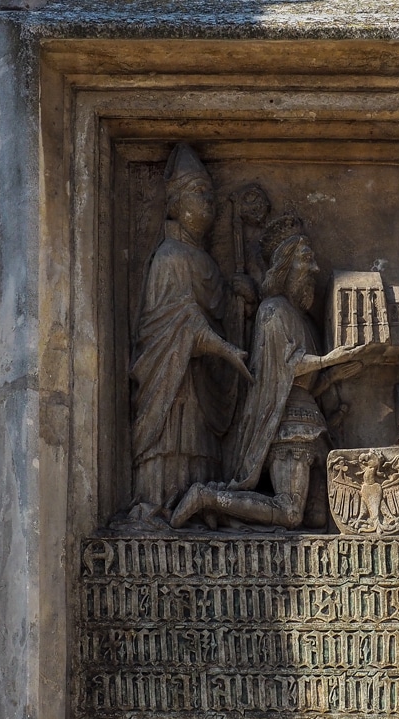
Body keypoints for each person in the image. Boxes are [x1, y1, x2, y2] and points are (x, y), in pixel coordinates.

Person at [169, 215, 364, 530]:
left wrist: (334, 374)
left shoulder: (303, 320)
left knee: (318, 518)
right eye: (306, 260)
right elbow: (285, 371)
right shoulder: (273, 311)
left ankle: (228, 514)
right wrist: (329, 359)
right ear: (286, 266)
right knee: (290, 513)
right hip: (288, 429)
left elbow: (301, 383)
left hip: (313, 426)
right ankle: (207, 498)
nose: (314, 269)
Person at [128, 144, 254, 522]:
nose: (209, 204)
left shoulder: (206, 262)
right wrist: (214, 343)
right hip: (171, 374)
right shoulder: (169, 257)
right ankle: (158, 504)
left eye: (211, 196)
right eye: (199, 194)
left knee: (198, 440)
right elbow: (172, 323)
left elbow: (214, 321)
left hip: (202, 380)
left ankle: (200, 510)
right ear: (175, 204)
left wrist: (238, 302)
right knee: (173, 436)